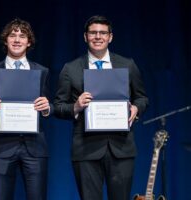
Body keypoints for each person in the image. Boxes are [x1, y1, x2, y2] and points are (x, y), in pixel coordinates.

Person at [54, 15, 149, 200]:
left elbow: (142, 98)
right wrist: (75, 106)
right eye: (93, 33)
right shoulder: (70, 68)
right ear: (85, 37)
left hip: (121, 148)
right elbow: (58, 107)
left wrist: (137, 108)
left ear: (110, 37)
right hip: (85, 148)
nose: (98, 36)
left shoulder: (127, 64)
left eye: (103, 33)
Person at [0, 18, 51, 200]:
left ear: (29, 42)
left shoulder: (41, 71)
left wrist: (47, 108)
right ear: (5, 40)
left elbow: (50, 105)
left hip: (34, 148)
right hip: (2, 148)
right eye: (12, 35)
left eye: (22, 36)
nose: (17, 40)